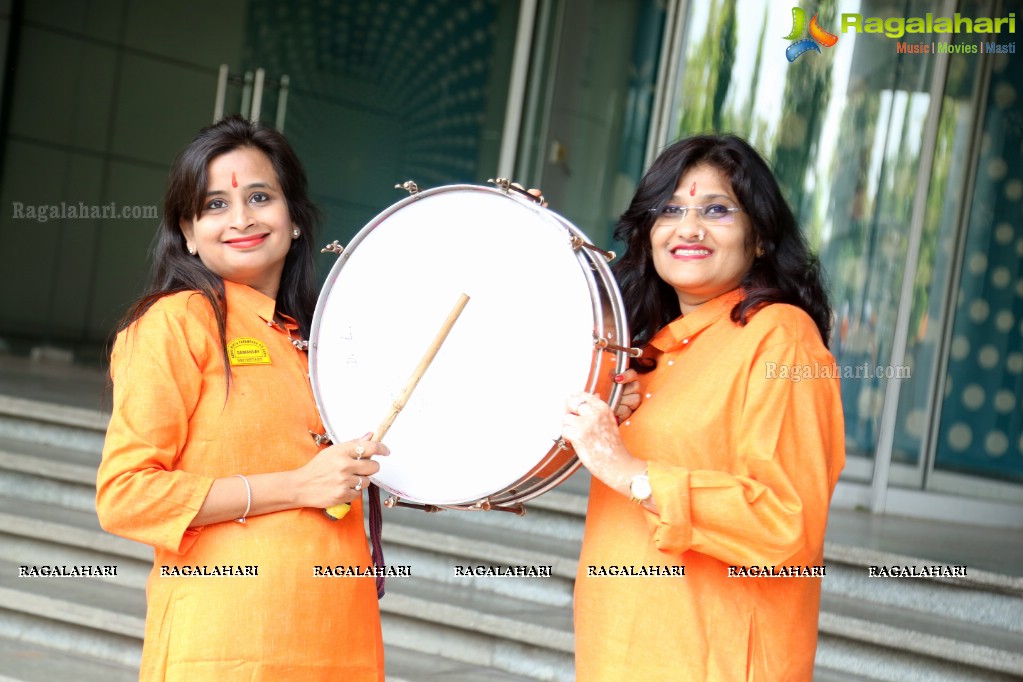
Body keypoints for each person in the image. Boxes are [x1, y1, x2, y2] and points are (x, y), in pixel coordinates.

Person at [96, 115, 388, 681]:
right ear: (187, 231)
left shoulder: (316, 343)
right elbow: (125, 495)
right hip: (227, 646)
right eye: (214, 206)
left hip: (339, 639)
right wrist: (298, 486)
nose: (242, 218)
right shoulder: (175, 324)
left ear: (295, 219)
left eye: (260, 196)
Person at [562, 133, 845, 681]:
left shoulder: (782, 339)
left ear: (759, 237)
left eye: (716, 210)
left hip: (712, 660)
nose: (689, 228)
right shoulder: (654, 348)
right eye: (670, 210)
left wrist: (633, 473)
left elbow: (788, 525)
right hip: (621, 648)